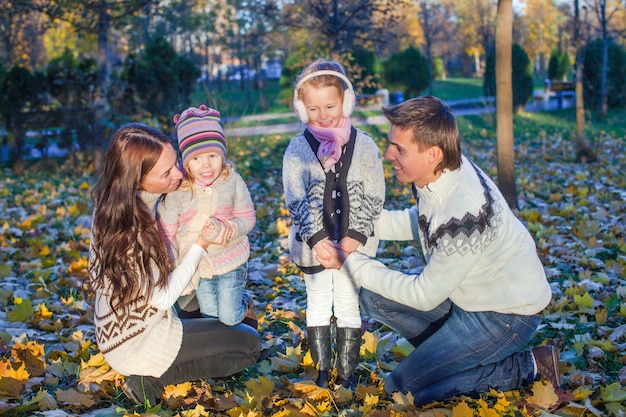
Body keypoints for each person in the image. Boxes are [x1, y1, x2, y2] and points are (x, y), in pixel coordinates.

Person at [317, 95, 559, 405]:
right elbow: (419, 222)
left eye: (399, 149)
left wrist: (350, 262)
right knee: (374, 296)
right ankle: (456, 356)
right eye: (391, 143)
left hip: (505, 317)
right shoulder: (439, 172)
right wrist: (354, 223)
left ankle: (527, 365)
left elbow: (425, 295)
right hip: (468, 298)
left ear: (432, 153)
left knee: (402, 389)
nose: (389, 154)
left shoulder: (465, 213)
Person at [88, 123, 261, 406]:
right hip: (143, 340)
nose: (179, 174)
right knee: (249, 345)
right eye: (166, 173)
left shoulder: (113, 205)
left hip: (117, 332)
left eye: (175, 164)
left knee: (211, 310)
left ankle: (217, 323)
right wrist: (201, 247)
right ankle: (150, 378)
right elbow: (164, 296)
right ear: (137, 179)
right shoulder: (134, 229)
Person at [282, 59, 385, 388]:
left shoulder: (365, 145)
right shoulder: (297, 149)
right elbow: (295, 197)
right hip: (315, 248)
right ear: (302, 108)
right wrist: (318, 239)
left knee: (346, 302)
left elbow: (375, 194)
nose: (322, 114)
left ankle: (348, 372)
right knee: (318, 302)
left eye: (330, 105)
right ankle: (324, 370)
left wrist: (354, 236)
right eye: (313, 108)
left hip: (352, 246)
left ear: (346, 102)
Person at [158, 105, 256, 327]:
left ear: (222, 155)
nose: (206, 165)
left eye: (213, 155)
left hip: (231, 258)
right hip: (199, 266)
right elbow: (167, 231)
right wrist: (169, 261)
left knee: (229, 317)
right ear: (185, 161)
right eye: (196, 158)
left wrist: (230, 227)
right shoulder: (179, 190)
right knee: (211, 314)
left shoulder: (231, 181)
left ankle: (244, 305)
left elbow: (247, 217)